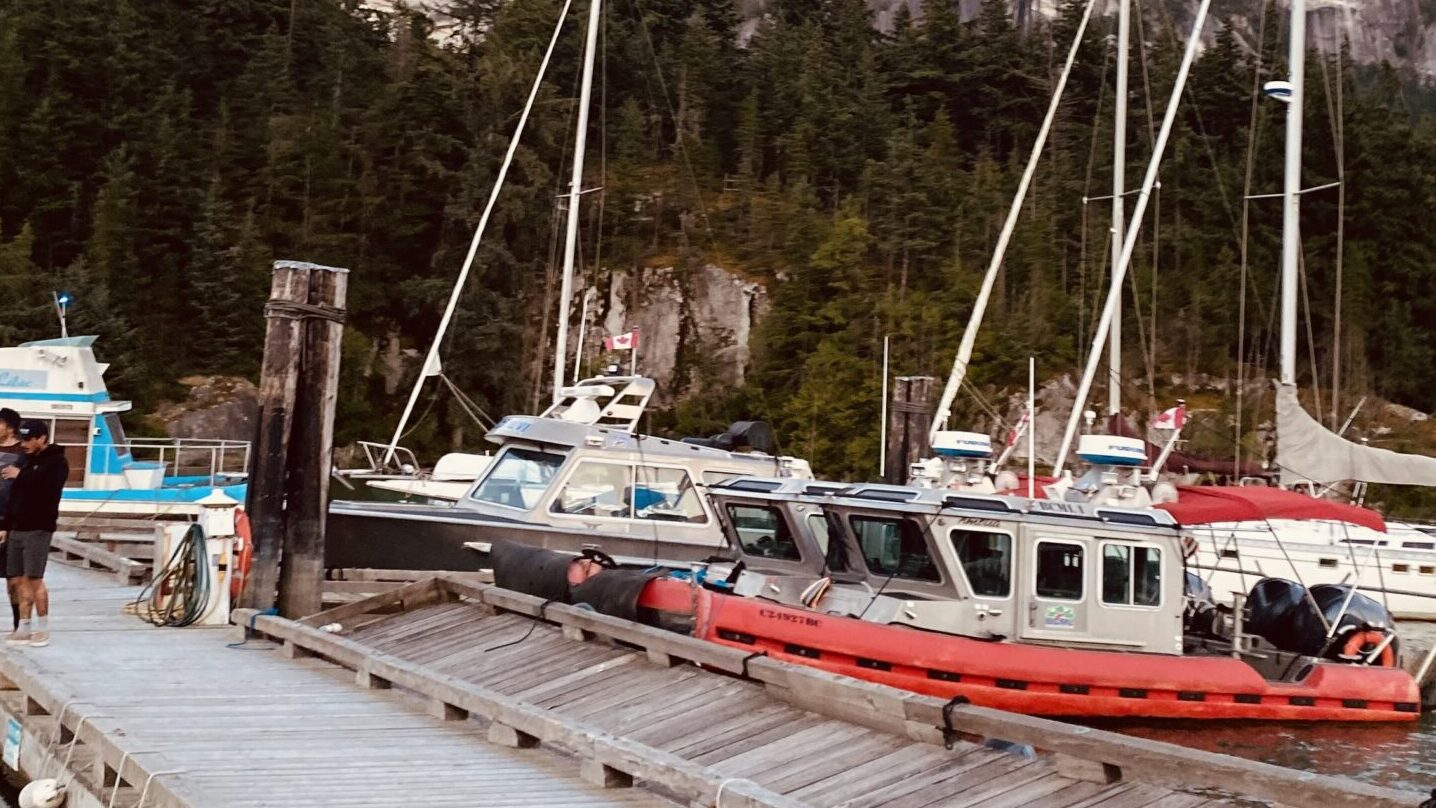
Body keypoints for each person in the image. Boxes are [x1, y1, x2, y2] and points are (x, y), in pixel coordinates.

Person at [0, 420, 69, 647]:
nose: (25, 444)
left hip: (39, 527)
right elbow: (15, 497)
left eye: (29, 439)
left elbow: (48, 488)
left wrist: (20, 475)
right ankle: (24, 627)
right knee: (17, 578)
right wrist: (6, 526)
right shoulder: (27, 461)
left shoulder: (57, 462)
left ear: (42, 438)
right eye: (23, 439)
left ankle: (43, 627)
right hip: (18, 526)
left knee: (34, 578)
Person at [0, 408, 23, 630]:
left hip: (13, 521)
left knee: (13, 578)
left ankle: (19, 623)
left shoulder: (23, 452)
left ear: (10, 427)